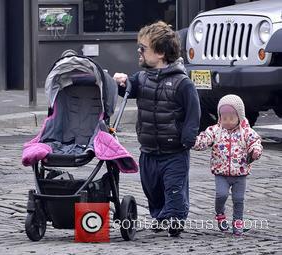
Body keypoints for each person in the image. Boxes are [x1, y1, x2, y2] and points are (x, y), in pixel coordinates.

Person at [113, 21, 201, 237]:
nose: (139, 52)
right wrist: (122, 82)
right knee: (152, 189)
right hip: (149, 149)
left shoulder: (182, 83)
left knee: (174, 188)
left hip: (174, 150)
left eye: (143, 49)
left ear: (160, 53)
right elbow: (129, 89)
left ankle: (174, 218)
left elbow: (193, 111)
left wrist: (188, 137)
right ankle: (161, 214)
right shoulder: (142, 78)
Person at [192, 94, 263, 236]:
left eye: (231, 118)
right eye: (224, 118)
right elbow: (204, 139)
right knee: (221, 195)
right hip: (221, 173)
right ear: (219, 117)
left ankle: (238, 222)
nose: (228, 122)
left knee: (238, 199)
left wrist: (255, 151)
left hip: (240, 173)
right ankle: (220, 213)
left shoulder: (246, 132)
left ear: (240, 117)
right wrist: (192, 142)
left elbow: (255, 142)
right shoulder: (215, 131)